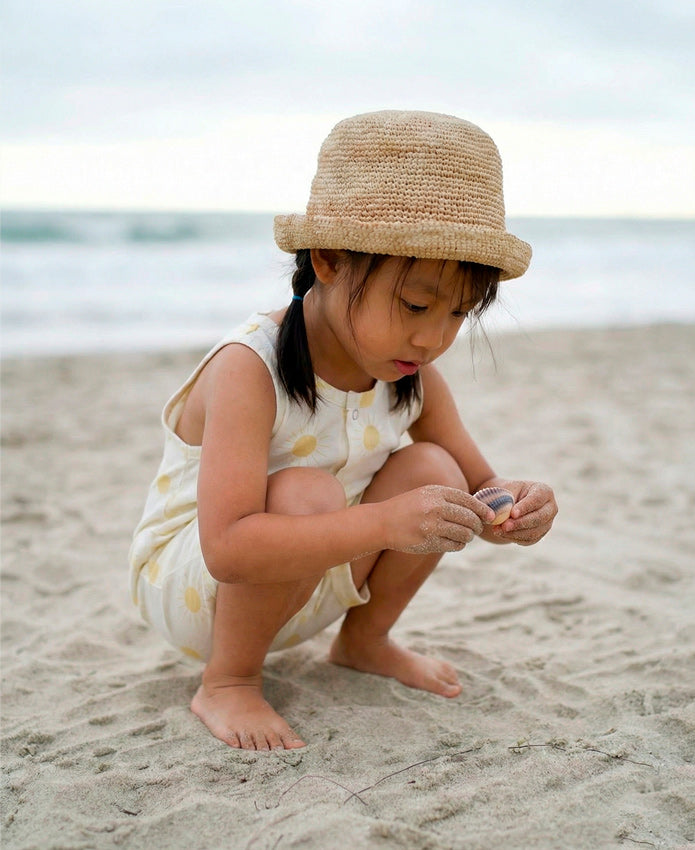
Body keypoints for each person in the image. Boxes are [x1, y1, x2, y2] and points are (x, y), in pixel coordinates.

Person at [129, 110, 558, 751]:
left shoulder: (408, 373)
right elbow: (227, 547)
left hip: (314, 570)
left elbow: (478, 486)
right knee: (306, 491)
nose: (432, 337)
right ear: (328, 259)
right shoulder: (250, 367)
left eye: (458, 314)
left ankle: (364, 641)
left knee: (434, 469)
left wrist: (512, 507)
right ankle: (228, 682)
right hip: (202, 590)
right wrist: (385, 524)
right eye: (415, 304)